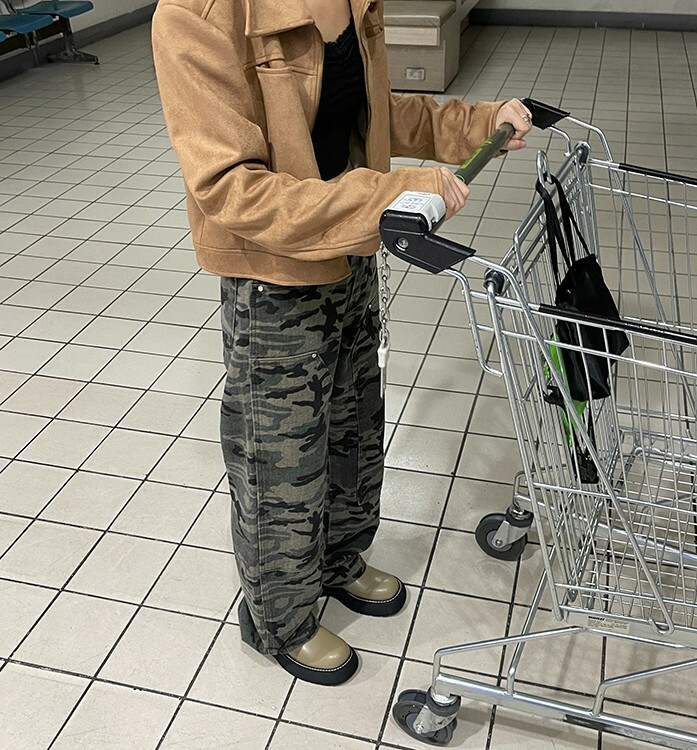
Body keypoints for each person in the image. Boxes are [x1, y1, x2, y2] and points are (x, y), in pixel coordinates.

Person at [151, 0, 532, 686]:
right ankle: (281, 618)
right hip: (273, 278)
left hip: (350, 251)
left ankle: (336, 560)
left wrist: (476, 123)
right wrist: (389, 196)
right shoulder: (198, 15)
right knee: (282, 461)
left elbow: (375, 110)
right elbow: (230, 188)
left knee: (354, 425)